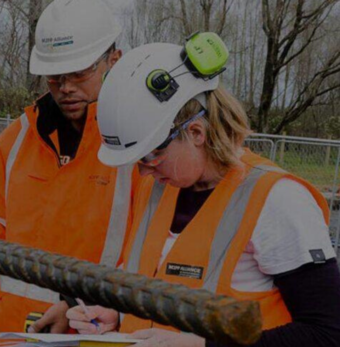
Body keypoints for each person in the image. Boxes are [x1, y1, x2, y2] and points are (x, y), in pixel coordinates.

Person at [67, 34, 340, 346]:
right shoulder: (158, 187)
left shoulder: (277, 199)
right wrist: (117, 313)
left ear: (195, 132)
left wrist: (204, 346)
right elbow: (157, 287)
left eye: (149, 156)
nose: (143, 170)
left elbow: (326, 333)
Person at [0, 1, 135, 346]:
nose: (66, 86)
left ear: (113, 61)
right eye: (56, 75)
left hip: (88, 331)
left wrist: (78, 304)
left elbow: (146, 251)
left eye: (80, 72)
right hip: (9, 332)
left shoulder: (135, 149)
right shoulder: (17, 138)